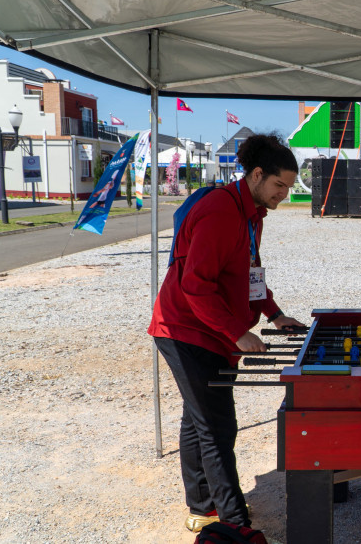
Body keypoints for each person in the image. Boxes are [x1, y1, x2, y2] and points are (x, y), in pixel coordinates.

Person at [148, 134, 305, 534]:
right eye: (279, 185)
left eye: (288, 187)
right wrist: (237, 332)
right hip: (186, 329)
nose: (284, 195)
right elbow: (195, 285)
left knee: (198, 416)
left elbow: (250, 274)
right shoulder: (220, 210)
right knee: (217, 425)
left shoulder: (252, 213)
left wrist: (274, 313)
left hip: (213, 329)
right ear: (256, 175)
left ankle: (202, 506)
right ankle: (234, 523)